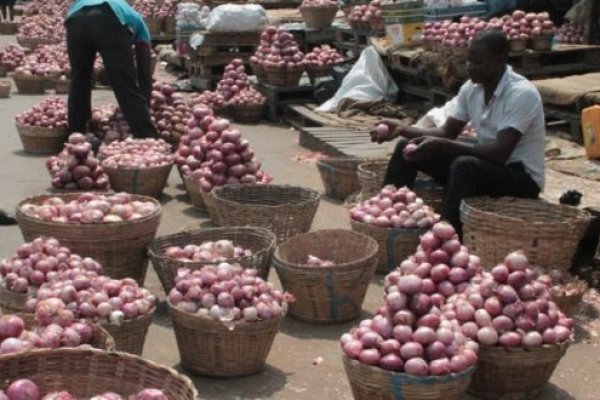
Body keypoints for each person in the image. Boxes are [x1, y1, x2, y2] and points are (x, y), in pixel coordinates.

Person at [371, 30, 545, 235]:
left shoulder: (521, 94)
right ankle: (388, 215)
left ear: (500, 61)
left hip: (520, 177)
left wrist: (444, 146)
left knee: (464, 166)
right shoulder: (472, 89)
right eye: (469, 61)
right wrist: (402, 129)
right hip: (489, 166)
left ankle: (445, 238)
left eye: (478, 63)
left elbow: (500, 153)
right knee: (406, 148)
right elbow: (448, 132)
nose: (469, 68)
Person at [65, 0, 158, 139]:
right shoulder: (141, 25)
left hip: (75, 20)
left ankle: (76, 136)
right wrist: (145, 106)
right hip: (109, 18)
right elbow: (144, 72)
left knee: (79, 80)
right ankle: (147, 136)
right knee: (125, 83)